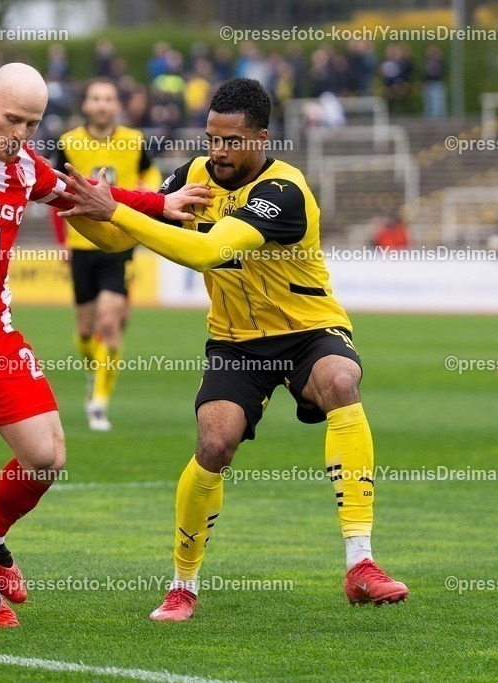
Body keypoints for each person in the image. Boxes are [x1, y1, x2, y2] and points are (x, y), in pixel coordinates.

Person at [0, 15, 204, 628]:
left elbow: (86, 196)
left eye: (32, 124)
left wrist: (164, 202)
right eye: (12, 121)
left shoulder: (24, 167)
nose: (21, 135)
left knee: (47, 457)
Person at [56, 77, 409, 621]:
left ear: (261, 139)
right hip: (235, 342)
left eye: (231, 141)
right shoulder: (195, 174)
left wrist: (118, 211)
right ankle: (183, 585)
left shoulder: (283, 192)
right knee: (214, 444)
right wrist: (84, 209)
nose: (217, 152)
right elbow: (121, 237)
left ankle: (360, 564)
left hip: (307, 332)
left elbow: (207, 252)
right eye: (211, 138)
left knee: (340, 381)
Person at [51, 78, 162, 431]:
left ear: (117, 105)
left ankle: (98, 403)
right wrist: (61, 243)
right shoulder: (68, 143)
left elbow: (152, 175)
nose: (101, 104)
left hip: (119, 243)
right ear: (86, 105)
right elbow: (53, 192)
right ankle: (94, 372)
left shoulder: (136, 140)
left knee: (110, 323)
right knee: (86, 330)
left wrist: (149, 191)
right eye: (95, 98)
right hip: (82, 244)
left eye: (108, 99)